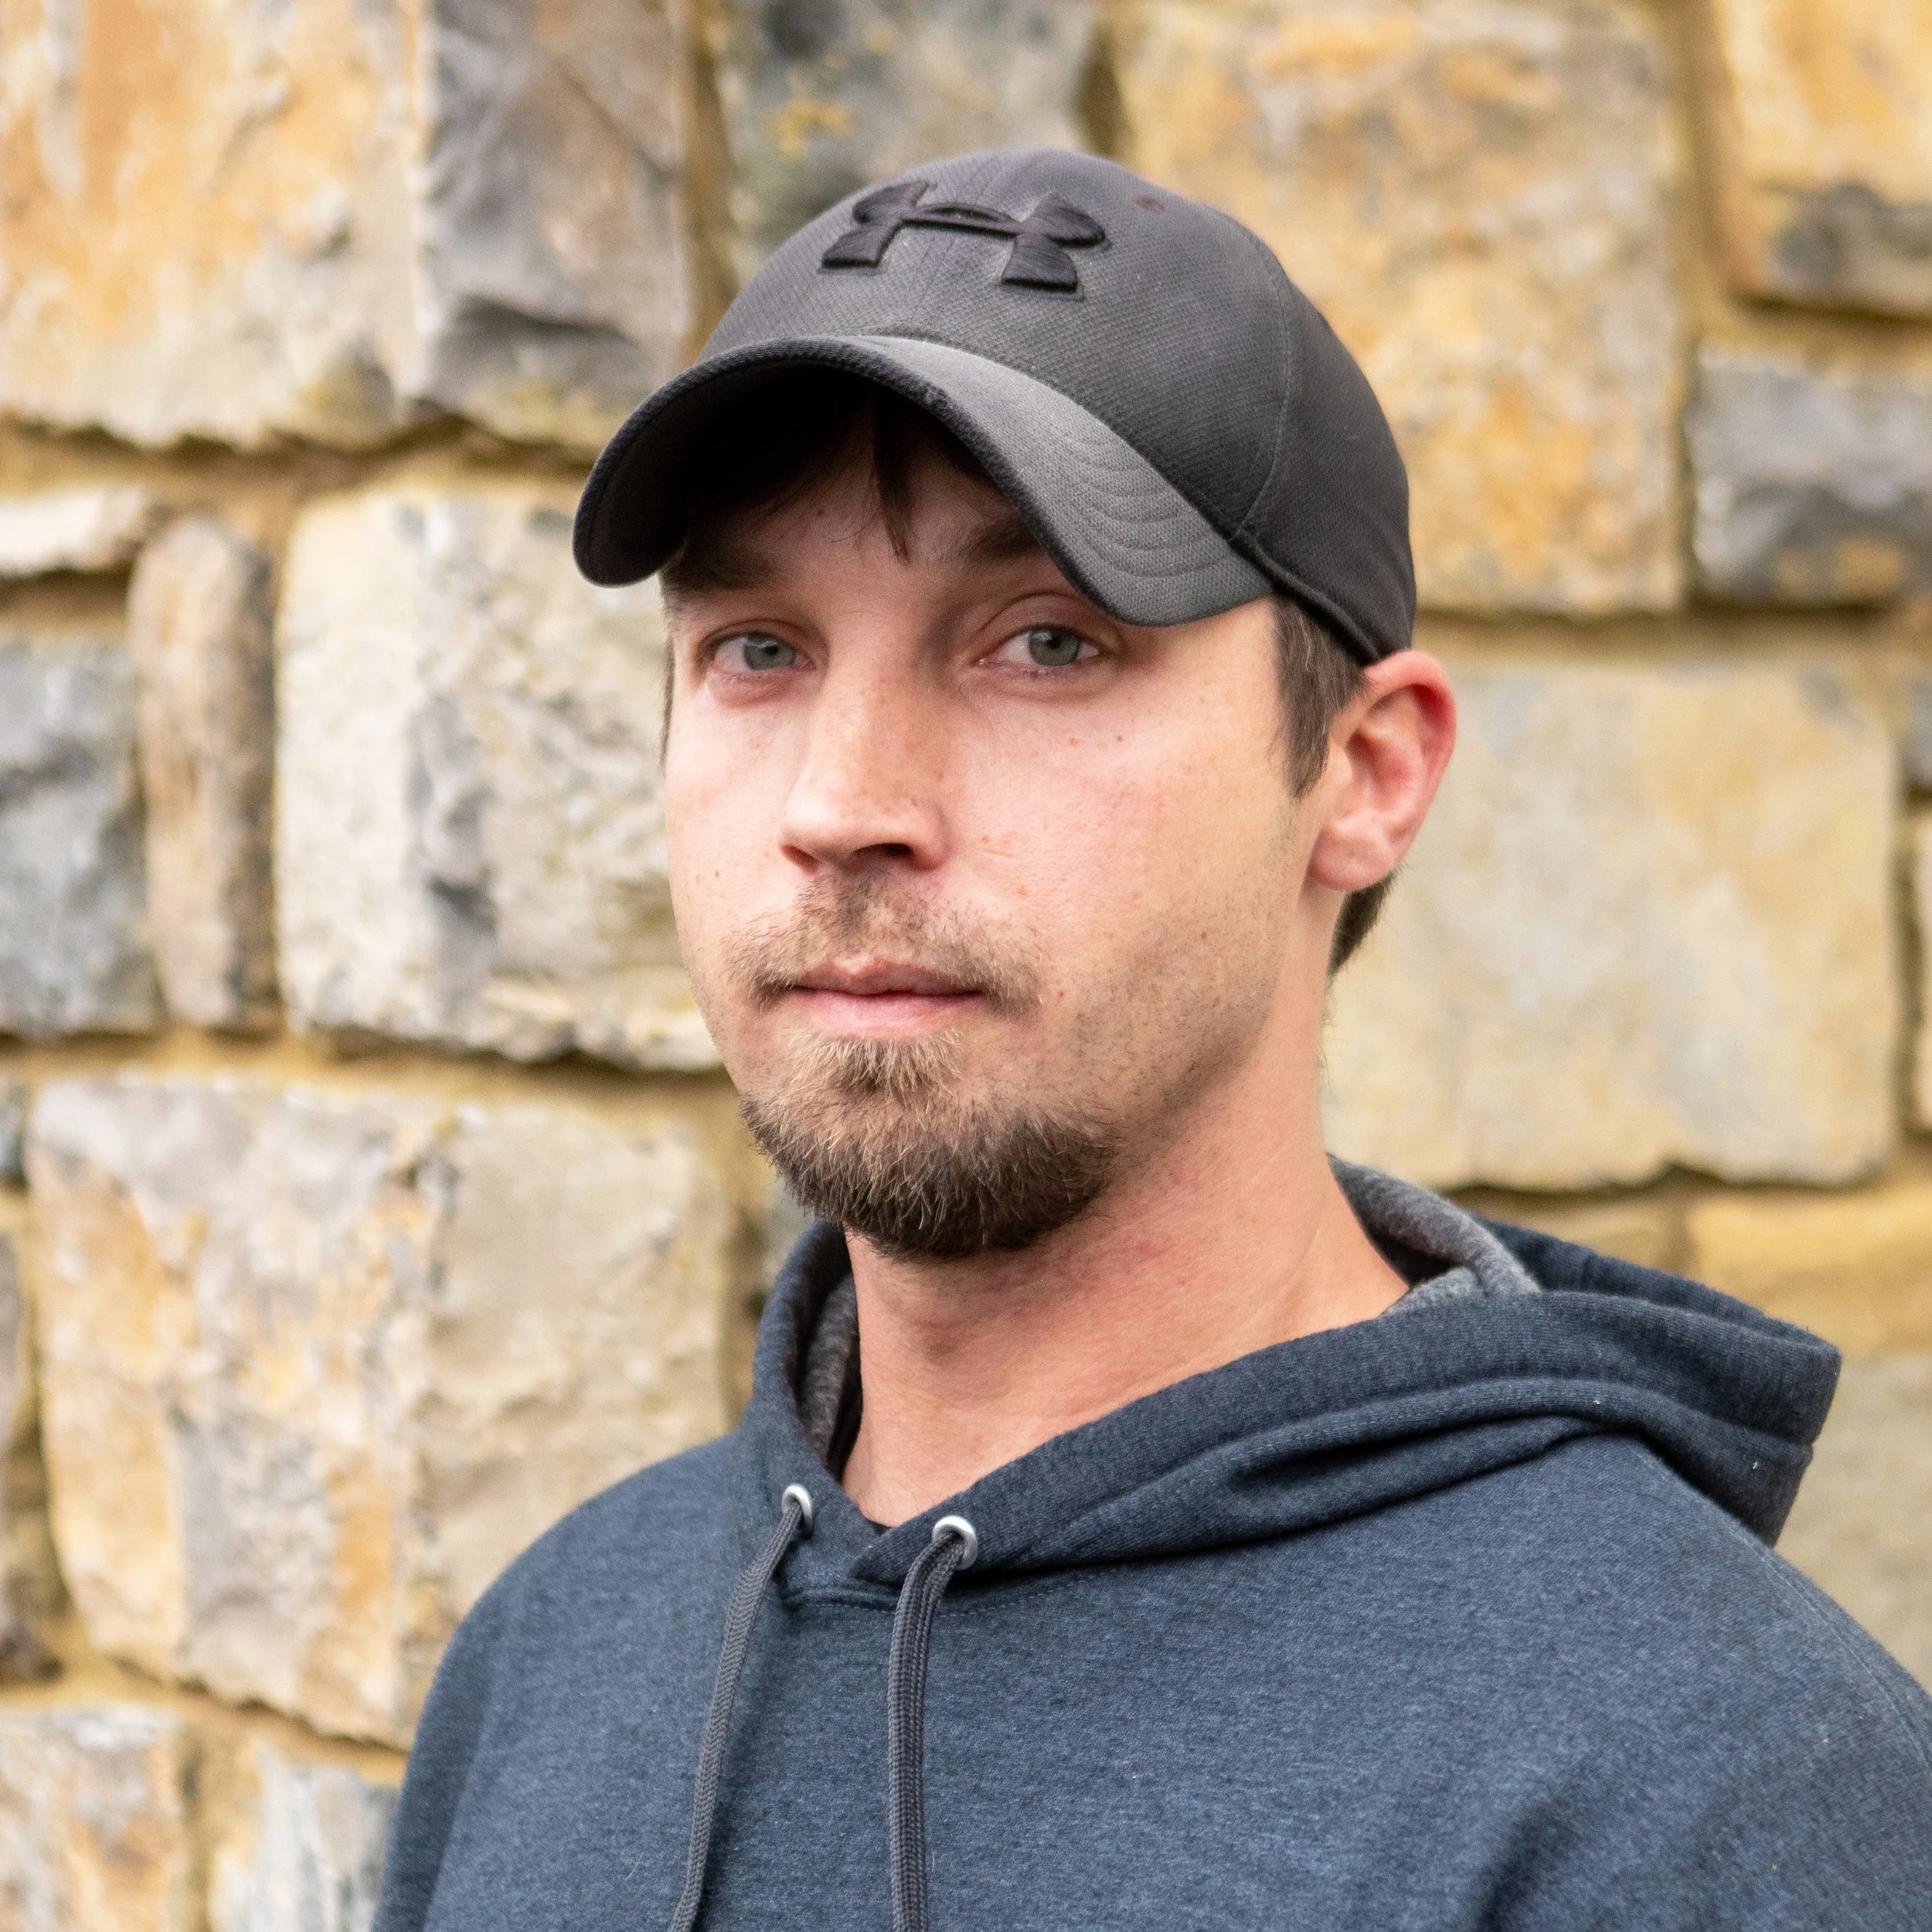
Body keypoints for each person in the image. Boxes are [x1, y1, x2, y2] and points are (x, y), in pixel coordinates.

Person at [374, 148, 1932, 1932]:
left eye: (1043, 640)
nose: (840, 802)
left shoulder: (1711, 1786)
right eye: (757, 649)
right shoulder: (555, 1652)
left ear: (1359, 770)